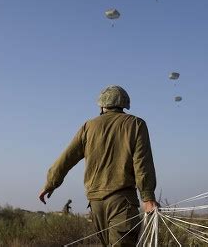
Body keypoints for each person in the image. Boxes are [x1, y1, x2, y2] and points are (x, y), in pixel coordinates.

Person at [39, 85, 158, 246]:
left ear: (102, 105)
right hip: (122, 204)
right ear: (124, 104)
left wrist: (50, 183)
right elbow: (142, 163)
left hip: (96, 205)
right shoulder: (136, 124)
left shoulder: (88, 127)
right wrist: (148, 196)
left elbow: (67, 158)